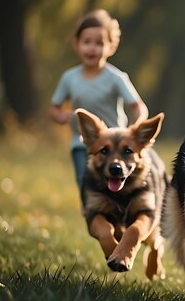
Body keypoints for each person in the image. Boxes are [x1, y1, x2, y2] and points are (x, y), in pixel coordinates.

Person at [50, 9, 148, 187]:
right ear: (76, 44)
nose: (92, 48)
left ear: (111, 46)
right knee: (86, 185)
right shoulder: (69, 78)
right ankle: (93, 213)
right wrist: (60, 115)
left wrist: (138, 123)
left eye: (99, 43)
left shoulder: (116, 78)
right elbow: (54, 108)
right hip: (81, 144)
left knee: (114, 184)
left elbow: (138, 105)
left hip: (115, 146)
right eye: (86, 42)